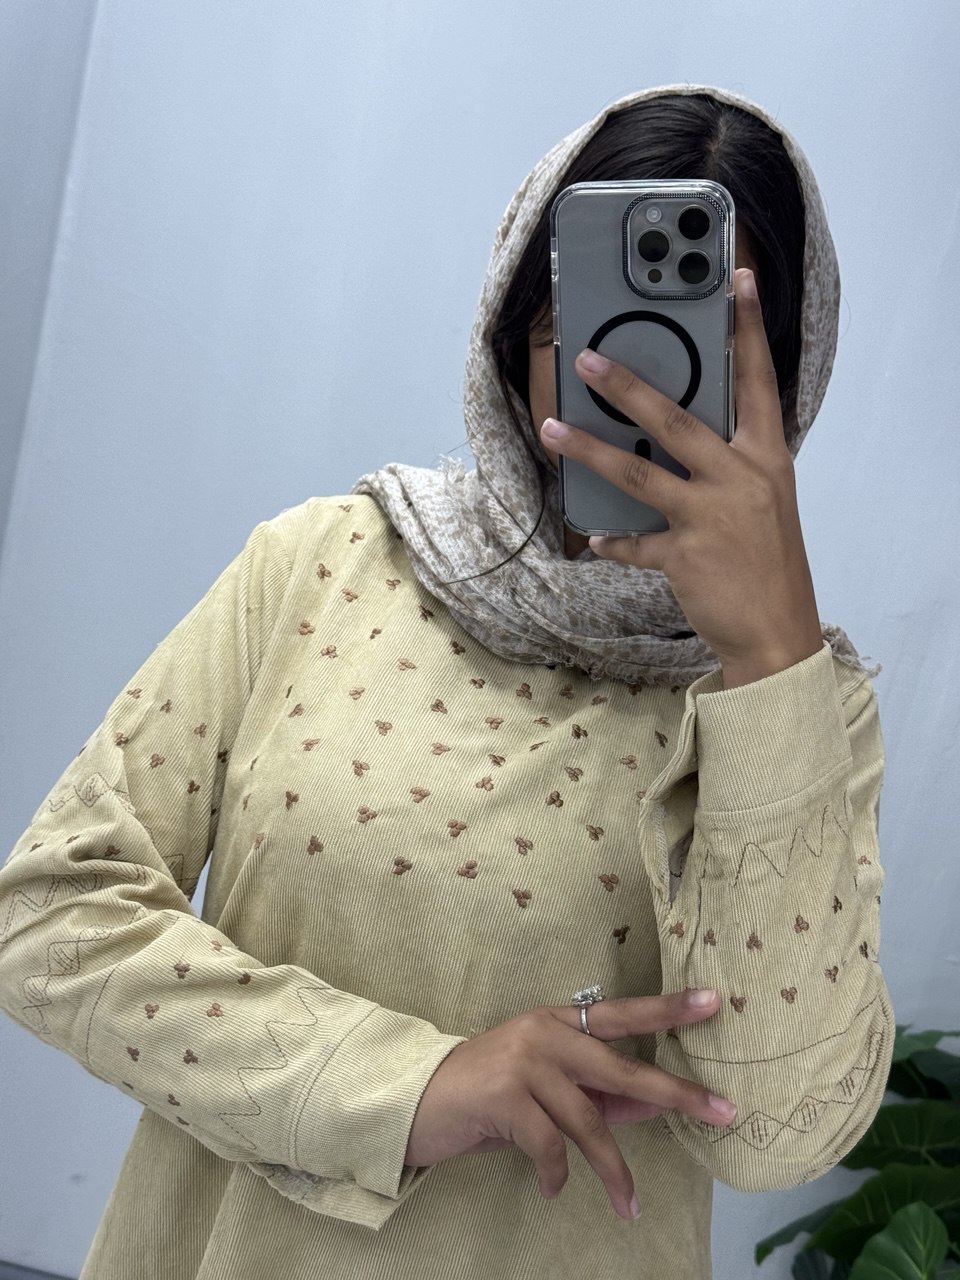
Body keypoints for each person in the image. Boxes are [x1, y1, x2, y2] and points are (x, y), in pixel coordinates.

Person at [0, 85, 893, 1280]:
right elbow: (50, 914)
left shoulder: (803, 710)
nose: (636, 380)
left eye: (698, 344)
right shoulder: (322, 564)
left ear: (787, 376)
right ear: (514, 326)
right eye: (589, 323)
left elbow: (777, 1133)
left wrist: (768, 666)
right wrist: (409, 1086)